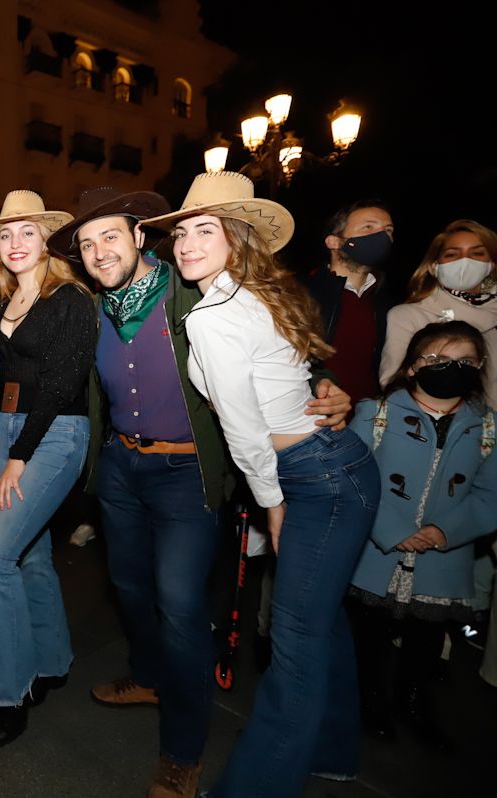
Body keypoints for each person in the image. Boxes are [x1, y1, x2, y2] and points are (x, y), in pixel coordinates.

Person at [45, 187, 352, 798]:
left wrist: (325, 384)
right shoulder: (90, 307)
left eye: (110, 235)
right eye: (86, 243)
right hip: (121, 471)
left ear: (140, 237)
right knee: (130, 588)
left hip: (187, 474)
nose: (99, 251)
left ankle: (182, 750)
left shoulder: (192, 286)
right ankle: (151, 675)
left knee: (180, 605)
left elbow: (271, 336)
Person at [142, 172, 381, 797]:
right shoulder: (255, 295)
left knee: (296, 641)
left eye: (205, 230)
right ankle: (332, 752)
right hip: (335, 464)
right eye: (183, 232)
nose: (188, 244)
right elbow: (293, 378)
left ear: (237, 238)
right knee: (323, 623)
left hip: (314, 477)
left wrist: (271, 503)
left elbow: (245, 430)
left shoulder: (214, 316)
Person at [0, 191, 94, 749]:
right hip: (6, 429)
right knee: (31, 554)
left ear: (47, 239)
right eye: (4, 235)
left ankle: (8, 692)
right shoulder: (7, 299)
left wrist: (20, 456)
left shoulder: (70, 298)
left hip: (54, 431)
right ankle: (51, 661)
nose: (14, 243)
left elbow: (65, 384)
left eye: (26, 232)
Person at [348, 320, 496, 752]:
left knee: (426, 642)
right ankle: (369, 700)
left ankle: (413, 703)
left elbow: (490, 495)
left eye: (465, 361)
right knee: (369, 634)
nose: (452, 368)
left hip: (442, 558)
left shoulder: (487, 428)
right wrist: (393, 530)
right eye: (438, 359)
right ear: (412, 367)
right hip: (377, 553)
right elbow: (358, 480)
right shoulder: (373, 414)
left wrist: (444, 532)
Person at [381, 220, 497, 409]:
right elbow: (394, 384)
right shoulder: (409, 315)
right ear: (434, 266)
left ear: (491, 264)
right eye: (452, 254)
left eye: (477, 253)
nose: (464, 261)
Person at [302, 200, 397, 406]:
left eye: (388, 230)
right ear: (334, 242)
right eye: (368, 227)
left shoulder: (389, 301)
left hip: (370, 419)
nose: (382, 236)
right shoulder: (301, 295)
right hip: (317, 416)